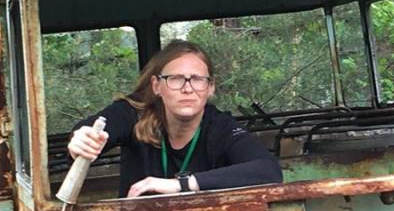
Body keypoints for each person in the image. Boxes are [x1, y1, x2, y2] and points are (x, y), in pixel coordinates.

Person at [68, 39, 282, 197]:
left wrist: (182, 184)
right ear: (157, 86)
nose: (187, 89)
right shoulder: (133, 113)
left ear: (210, 88)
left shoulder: (219, 127)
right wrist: (80, 139)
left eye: (197, 79)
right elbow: (92, 129)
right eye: (176, 79)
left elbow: (268, 170)